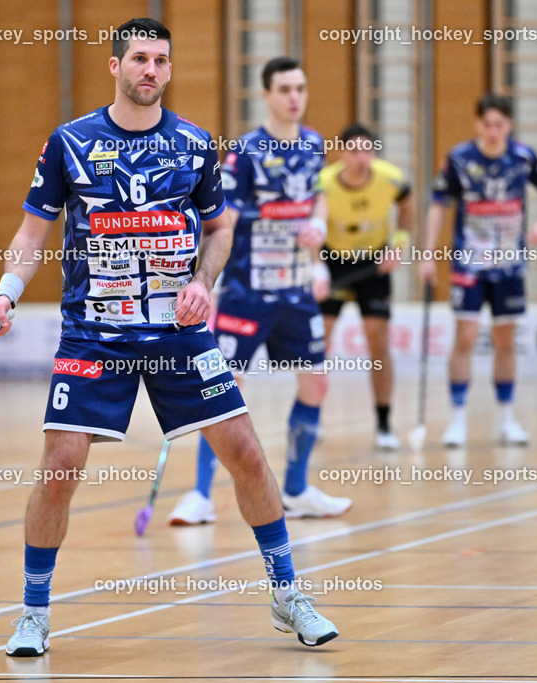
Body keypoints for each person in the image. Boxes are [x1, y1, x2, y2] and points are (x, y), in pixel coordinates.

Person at [0, 19, 338, 657]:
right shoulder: (69, 144)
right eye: (139, 59)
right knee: (60, 466)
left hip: (179, 334)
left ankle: (288, 594)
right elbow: (32, 235)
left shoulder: (196, 147)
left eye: (161, 61)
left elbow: (221, 230)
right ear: (114, 65)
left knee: (248, 454)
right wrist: (8, 290)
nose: (151, 70)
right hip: (95, 336)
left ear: (170, 71)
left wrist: (203, 279)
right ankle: (34, 612)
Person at [168, 56, 351, 527]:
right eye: (285, 89)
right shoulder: (245, 151)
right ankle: (201, 495)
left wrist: (315, 231)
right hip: (248, 291)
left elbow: (318, 199)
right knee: (223, 389)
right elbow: (221, 215)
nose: (295, 97)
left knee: (316, 381)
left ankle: (295, 488)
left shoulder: (313, 145)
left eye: (301, 88)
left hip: (294, 292)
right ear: (266, 95)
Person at [419, 93, 537, 447]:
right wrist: (427, 254)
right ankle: (458, 418)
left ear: (509, 125)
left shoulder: (523, 157)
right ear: (478, 124)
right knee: (464, 337)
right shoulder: (460, 159)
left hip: (509, 265)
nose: (494, 131)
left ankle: (507, 418)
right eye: (488, 124)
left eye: (501, 125)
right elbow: (438, 206)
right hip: (470, 264)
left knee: (505, 341)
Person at [317, 123, 414, 451]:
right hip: (334, 262)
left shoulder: (390, 178)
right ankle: (313, 414)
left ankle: (384, 422)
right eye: (354, 151)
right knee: (321, 339)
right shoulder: (325, 183)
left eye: (368, 151)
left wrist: (399, 243)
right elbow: (312, 225)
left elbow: (407, 202)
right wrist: (315, 267)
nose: (362, 158)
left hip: (374, 264)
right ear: (342, 154)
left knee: (378, 340)